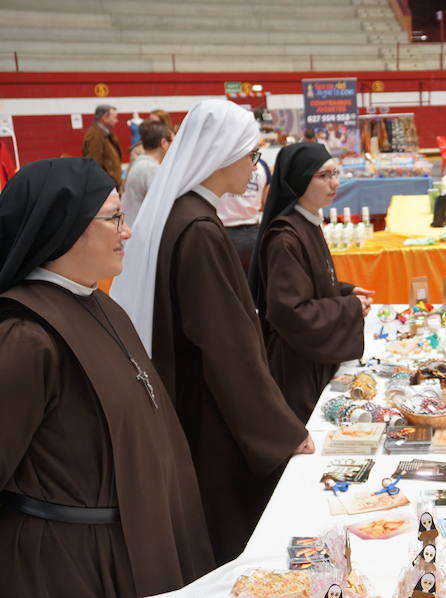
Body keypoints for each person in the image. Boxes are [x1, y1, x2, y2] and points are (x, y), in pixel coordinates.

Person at [110, 99, 313, 565]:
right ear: (223, 155)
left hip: (193, 393)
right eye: (251, 155)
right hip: (210, 408)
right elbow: (228, 349)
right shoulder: (199, 228)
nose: (256, 167)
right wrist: (283, 431)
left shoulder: (184, 215)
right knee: (230, 531)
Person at [0, 158, 214, 596]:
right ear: (65, 226)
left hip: (134, 543)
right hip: (69, 566)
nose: (127, 230)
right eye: (114, 217)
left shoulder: (101, 304)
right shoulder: (25, 337)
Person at [249, 143, 372, 422]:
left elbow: (311, 281)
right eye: (324, 175)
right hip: (296, 369)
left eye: (335, 173)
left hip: (309, 359)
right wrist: (349, 307)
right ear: (300, 180)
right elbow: (290, 311)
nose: (335, 182)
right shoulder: (285, 238)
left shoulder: (307, 224)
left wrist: (346, 290)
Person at [218, 156, 271, 274]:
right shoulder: (262, 166)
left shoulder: (225, 160)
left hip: (225, 231)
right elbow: (265, 202)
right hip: (253, 233)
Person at [122, 120, 172, 227]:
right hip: (138, 231)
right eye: (172, 142)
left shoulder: (141, 164)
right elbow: (161, 207)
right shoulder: (151, 169)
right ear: (164, 143)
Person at [82, 103, 123, 190]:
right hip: (105, 187)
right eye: (114, 117)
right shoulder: (95, 135)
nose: (117, 121)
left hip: (110, 184)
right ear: (104, 117)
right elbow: (94, 163)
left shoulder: (105, 134)